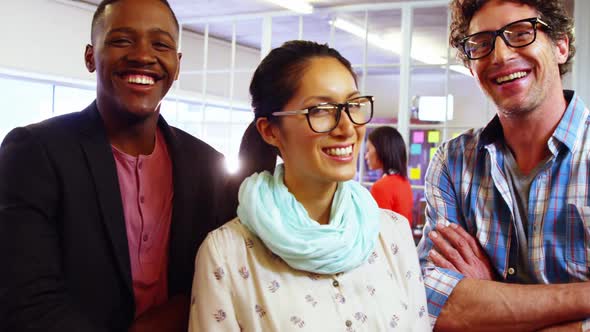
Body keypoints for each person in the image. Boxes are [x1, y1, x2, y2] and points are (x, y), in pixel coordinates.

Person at [0, 0, 234, 330]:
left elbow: (216, 285)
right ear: (90, 56)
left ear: (177, 64)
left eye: (160, 44)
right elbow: (27, 303)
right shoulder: (35, 153)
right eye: (122, 40)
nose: (142, 55)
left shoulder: (208, 166)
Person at [188, 40, 430, 331]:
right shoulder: (227, 253)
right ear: (270, 130)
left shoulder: (392, 233)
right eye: (320, 110)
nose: (347, 128)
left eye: (353, 105)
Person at [417, 0, 590, 330]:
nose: (499, 56)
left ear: (561, 46)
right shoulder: (452, 164)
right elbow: (434, 305)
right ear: (471, 67)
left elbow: (466, 314)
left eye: (522, 33)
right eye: (482, 44)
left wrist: (487, 295)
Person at [365, 126, 413, 223]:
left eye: (368, 150)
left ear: (381, 150)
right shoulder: (404, 182)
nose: (366, 156)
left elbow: (378, 230)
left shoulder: (381, 187)